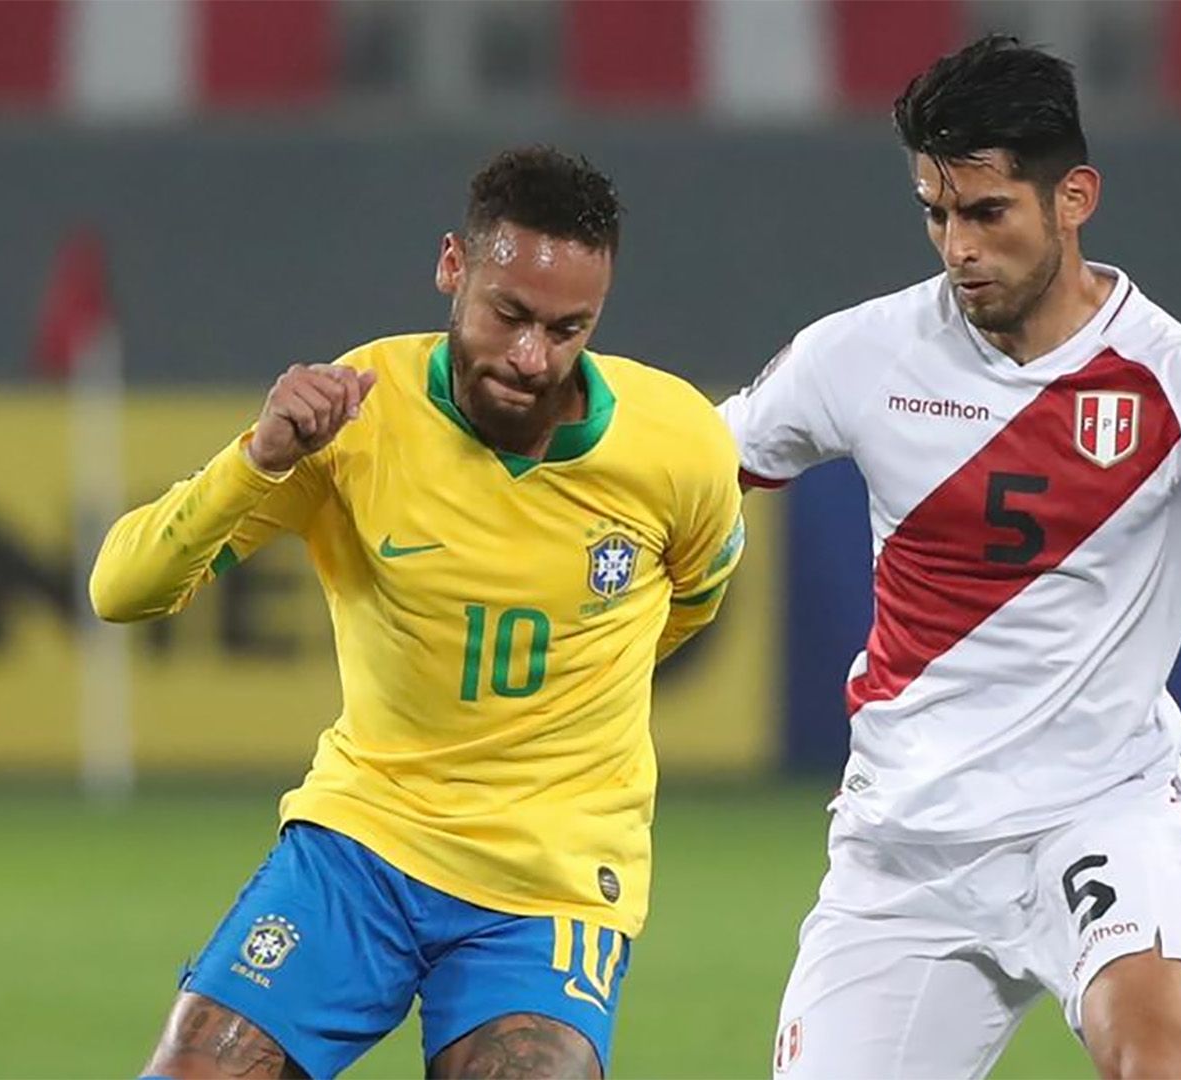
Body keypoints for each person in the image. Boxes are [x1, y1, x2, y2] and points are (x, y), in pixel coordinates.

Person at [719, 37, 1181, 1080]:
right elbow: (689, 468)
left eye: (987, 213)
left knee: (1158, 1060)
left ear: (1074, 198)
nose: (959, 247)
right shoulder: (859, 355)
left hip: (1096, 816)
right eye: (936, 214)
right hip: (904, 848)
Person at [90, 147, 746, 1080]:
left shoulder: (680, 445)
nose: (532, 358)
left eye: (568, 329)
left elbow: (689, 604)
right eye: (509, 315)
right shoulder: (357, 414)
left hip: (550, 883)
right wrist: (258, 460)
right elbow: (122, 589)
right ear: (452, 266)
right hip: (361, 848)